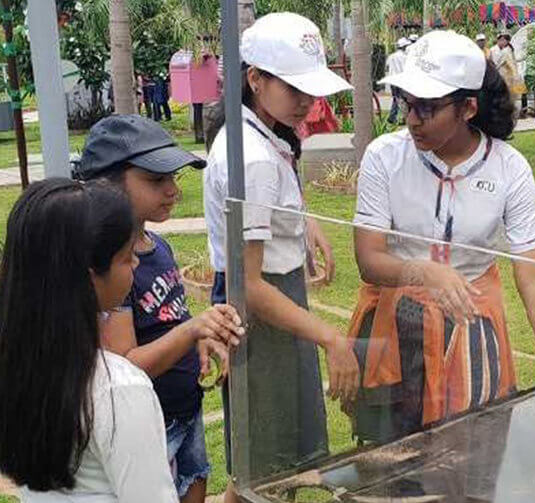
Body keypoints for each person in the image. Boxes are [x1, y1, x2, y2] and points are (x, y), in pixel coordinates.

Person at [347, 30, 535, 442]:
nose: (411, 118)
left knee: (470, 454)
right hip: (398, 324)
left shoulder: (508, 168)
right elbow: (369, 259)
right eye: (407, 102)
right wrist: (426, 274)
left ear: (468, 108)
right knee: (393, 459)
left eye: (427, 107)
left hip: (472, 324)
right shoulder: (385, 156)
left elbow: (533, 276)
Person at [204, 11, 360, 500]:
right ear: (256, 79)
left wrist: (304, 222)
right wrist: (331, 338)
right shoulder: (251, 156)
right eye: (295, 89)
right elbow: (247, 283)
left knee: (272, 466)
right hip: (262, 311)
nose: (307, 102)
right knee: (264, 474)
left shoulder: (261, 134)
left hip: (277, 300)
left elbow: (271, 204)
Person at [74, 115, 244, 503]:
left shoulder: (158, 247)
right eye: (155, 180)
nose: (172, 191)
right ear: (107, 184)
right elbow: (125, 364)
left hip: (186, 408)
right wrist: (192, 330)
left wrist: (198, 340)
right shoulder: (111, 274)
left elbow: (171, 318)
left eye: (173, 179)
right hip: (148, 424)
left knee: (194, 483)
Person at [0, 179, 178, 501]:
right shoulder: (118, 389)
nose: (136, 264)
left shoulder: (17, 366)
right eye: (126, 258)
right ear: (89, 275)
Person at [490, 31, 524, 109]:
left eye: (505, 40)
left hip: (508, 77)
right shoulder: (493, 50)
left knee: (510, 97)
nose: (503, 41)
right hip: (498, 75)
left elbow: (513, 64)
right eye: (501, 39)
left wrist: (516, 76)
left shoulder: (509, 50)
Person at [386, 37, 412, 124]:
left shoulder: (391, 56)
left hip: (392, 81)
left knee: (396, 99)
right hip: (401, 80)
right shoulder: (405, 57)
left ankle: (393, 117)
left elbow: (387, 67)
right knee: (403, 99)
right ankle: (404, 118)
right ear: (404, 47)